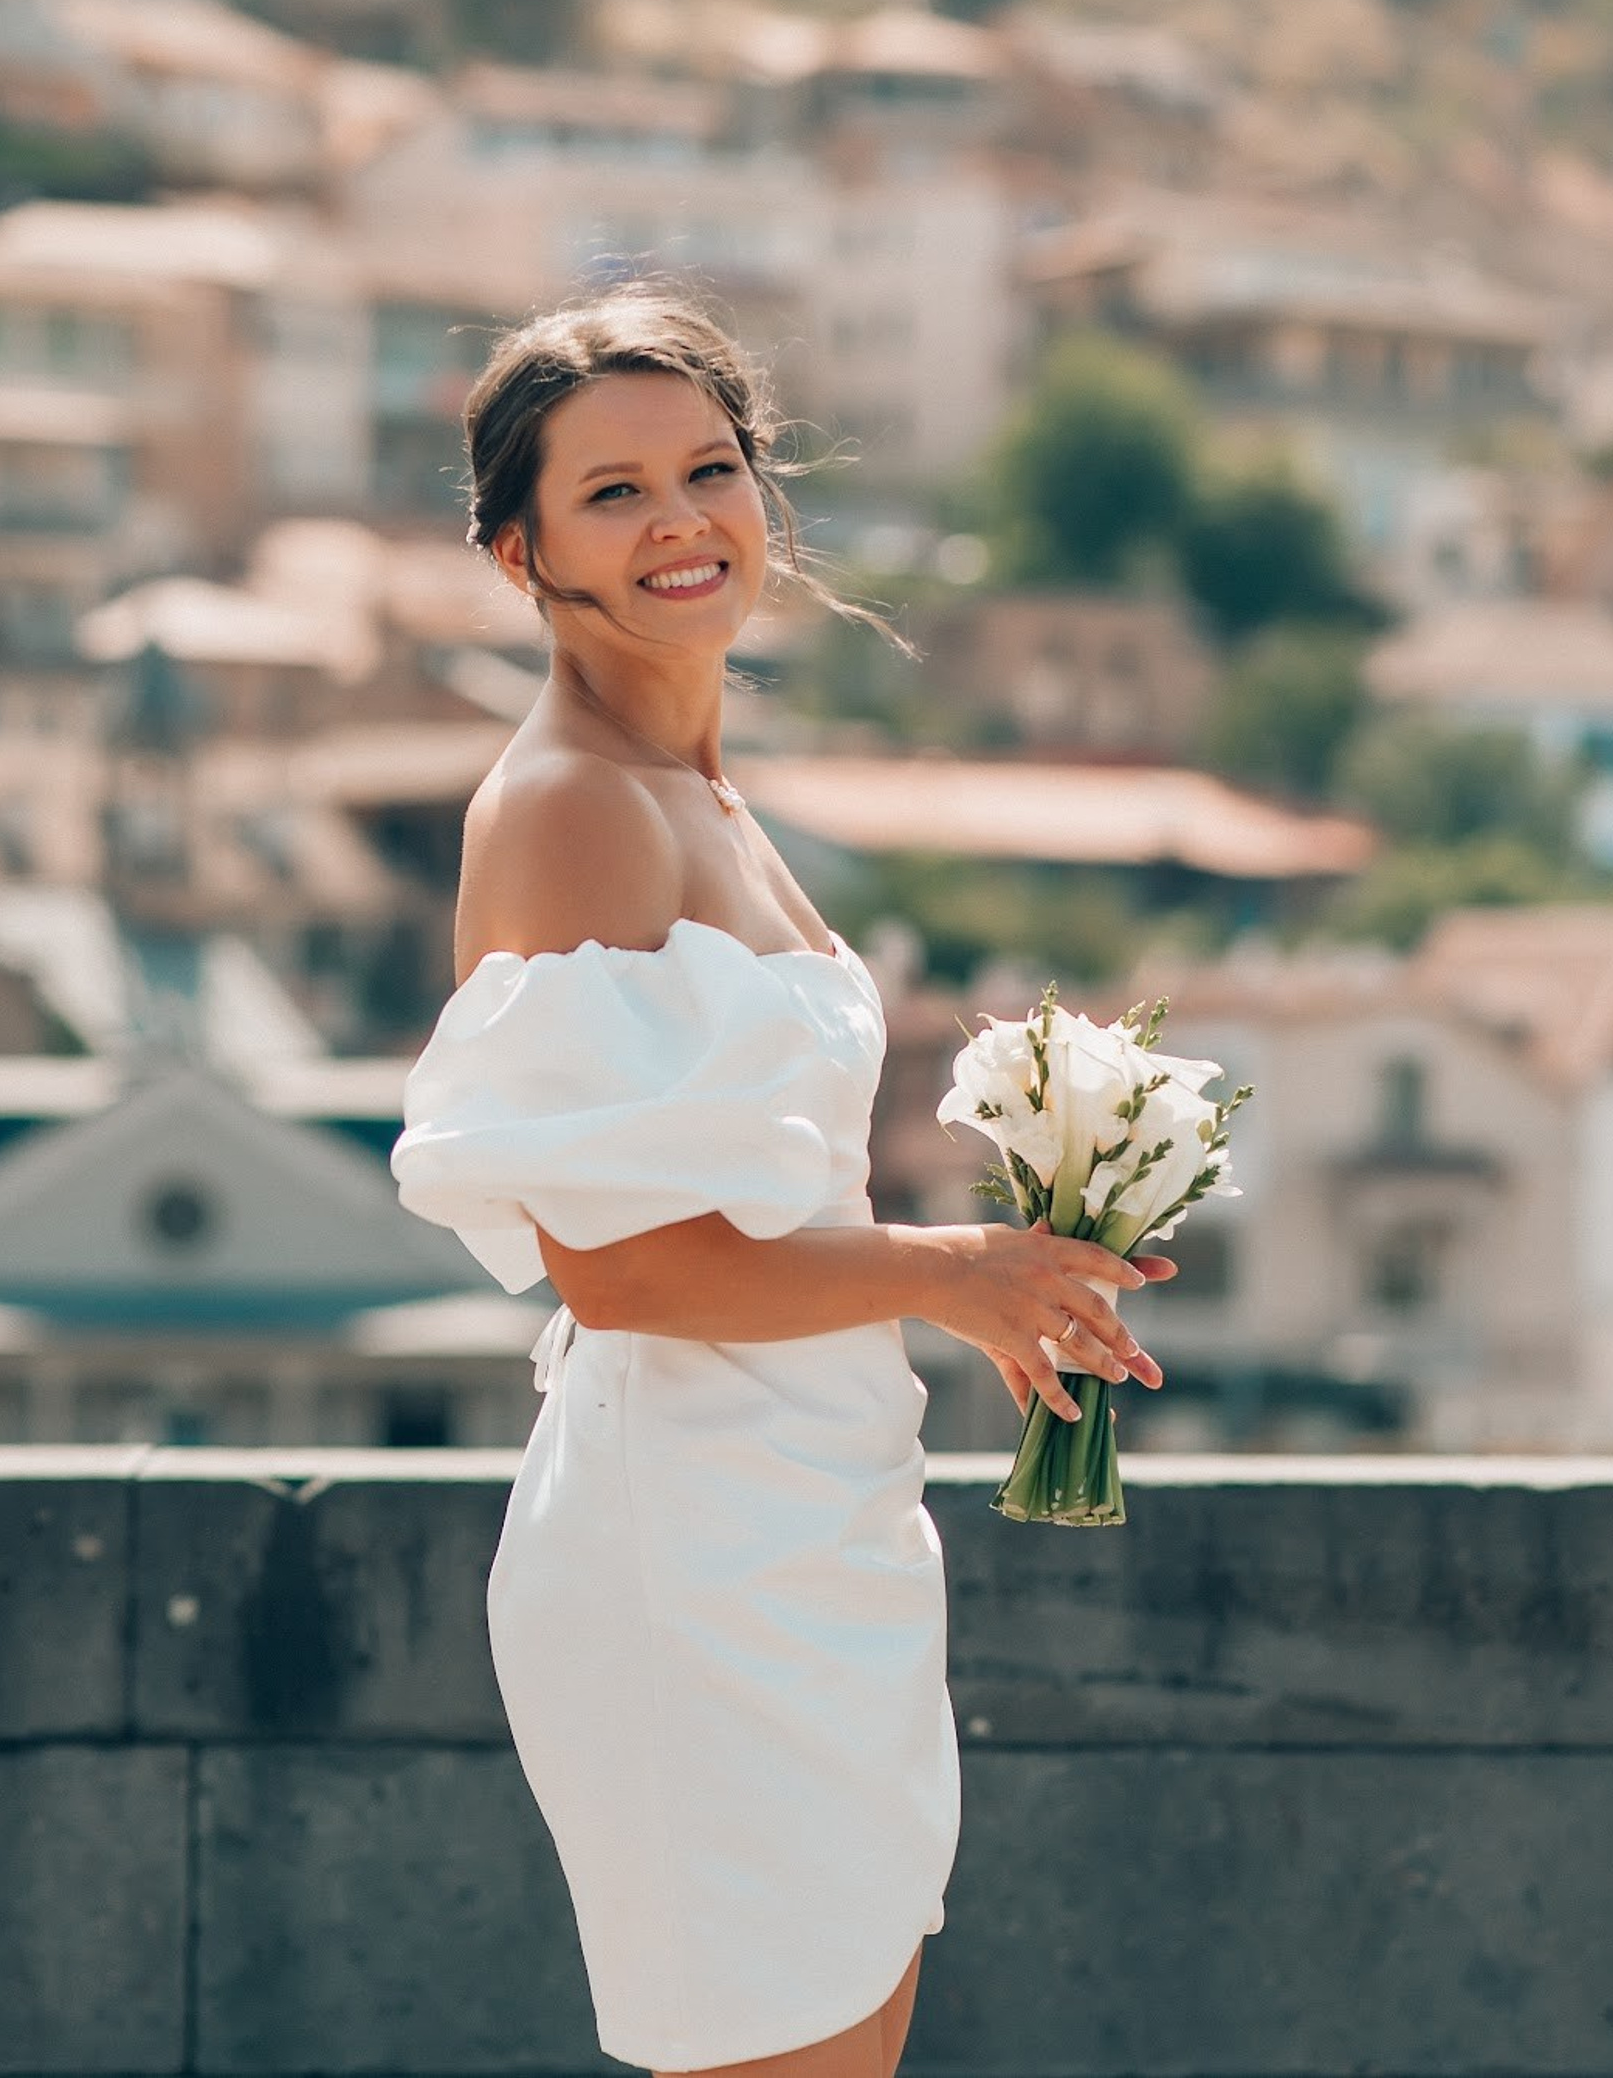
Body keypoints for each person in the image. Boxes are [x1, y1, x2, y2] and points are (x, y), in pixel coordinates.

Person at [391, 290, 1172, 2078]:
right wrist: (949, 1267)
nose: (679, 520)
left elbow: (753, 1203)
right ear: (519, 550)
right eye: (612, 494)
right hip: (691, 1545)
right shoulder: (573, 807)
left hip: (807, 1519)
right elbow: (626, 1272)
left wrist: (998, 1273)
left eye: (708, 468)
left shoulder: (705, 799)